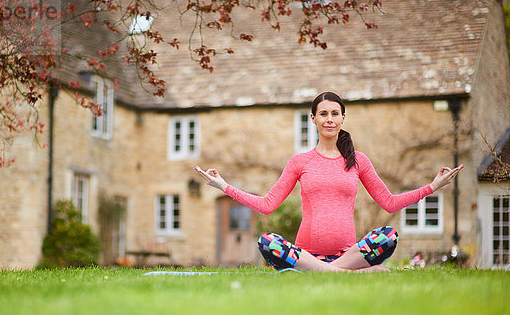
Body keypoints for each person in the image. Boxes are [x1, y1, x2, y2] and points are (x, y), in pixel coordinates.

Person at [195, 91, 463, 273]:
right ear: (313, 119)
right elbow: (267, 204)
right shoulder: (300, 162)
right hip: (305, 257)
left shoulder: (359, 161)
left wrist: (432, 187)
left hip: (348, 254)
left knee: (388, 236)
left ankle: (333, 271)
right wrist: (224, 187)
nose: (329, 119)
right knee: (267, 242)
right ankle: (348, 275)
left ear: (343, 118)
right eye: (323, 114)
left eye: (335, 113)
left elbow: (389, 203)